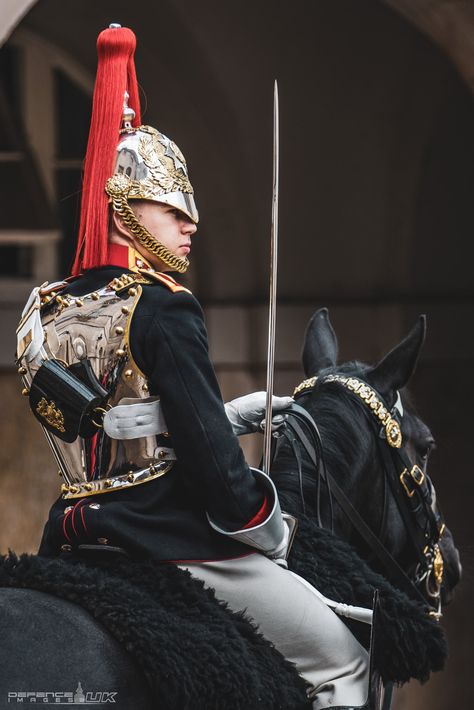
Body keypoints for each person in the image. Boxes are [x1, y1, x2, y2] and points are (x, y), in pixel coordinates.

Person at [15, 25, 370, 709]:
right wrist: (269, 525)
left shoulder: (44, 309)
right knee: (343, 661)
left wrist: (223, 416)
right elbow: (216, 479)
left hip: (71, 532)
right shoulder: (164, 307)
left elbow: (108, 424)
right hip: (163, 533)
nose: (191, 223)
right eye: (173, 207)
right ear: (123, 207)